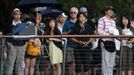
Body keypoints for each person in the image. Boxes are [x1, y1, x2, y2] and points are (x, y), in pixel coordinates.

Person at [4, 8, 26, 75]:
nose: (17, 16)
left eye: (19, 14)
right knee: (10, 64)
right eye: (16, 14)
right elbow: (5, 34)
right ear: (13, 15)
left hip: (21, 46)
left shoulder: (24, 25)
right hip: (12, 46)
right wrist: (8, 44)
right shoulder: (9, 25)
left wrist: (25, 45)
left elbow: (26, 36)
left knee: (19, 66)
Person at [97, 6, 118, 75]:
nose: (111, 12)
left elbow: (115, 32)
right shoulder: (102, 19)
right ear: (106, 11)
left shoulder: (113, 21)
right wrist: (109, 34)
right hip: (105, 42)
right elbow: (99, 31)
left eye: (112, 10)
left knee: (112, 63)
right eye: (109, 10)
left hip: (113, 43)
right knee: (105, 62)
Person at [62, 7, 78, 75]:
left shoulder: (80, 21)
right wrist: (69, 32)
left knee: (77, 63)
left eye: (74, 12)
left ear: (77, 13)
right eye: (71, 12)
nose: (73, 14)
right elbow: (63, 33)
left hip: (79, 46)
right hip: (69, 45)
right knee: (70, 63)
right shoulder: (67, 22)